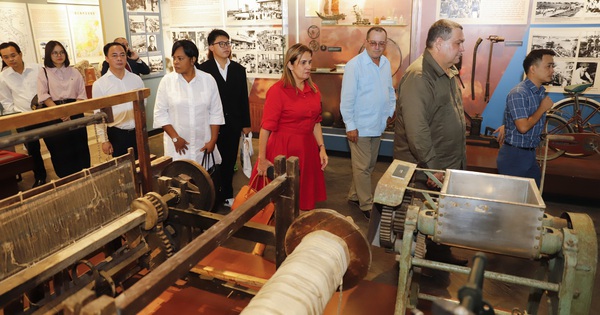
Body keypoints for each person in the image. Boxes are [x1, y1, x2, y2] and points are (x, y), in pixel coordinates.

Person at [394, 19, 467, 265]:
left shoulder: (447, 72)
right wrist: (434, 168)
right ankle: (414, 263)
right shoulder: (419, 76)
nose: (462, 49)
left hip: (446, 163)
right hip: (426, 168)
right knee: (418, 220)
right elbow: (417, 131)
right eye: (458, 43)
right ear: (439, 42)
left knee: (440, 214)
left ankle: (438, 253)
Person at [251, 43, 328, 211]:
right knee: (278, 203)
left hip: (307, 149)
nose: (308, 67)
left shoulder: (314, 89)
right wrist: (262, 160)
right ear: (290, 65)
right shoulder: (277, 91)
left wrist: (321, 147)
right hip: (282, 149)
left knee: (302, 200)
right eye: (303, 63)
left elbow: (316, 121)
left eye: (310, 62)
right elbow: (266, 128)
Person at [340, 26, 395, 219]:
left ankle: (354, 195)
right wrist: (350, 125)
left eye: (381, 43)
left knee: (369, 165)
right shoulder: (354, 65)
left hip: (378, 124)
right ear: (366, 42)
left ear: (385, 44)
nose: (377, 47)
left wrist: (390, 111)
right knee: (363, 167)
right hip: (360, 126)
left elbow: (389, 90)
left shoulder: (386, 63)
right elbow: (346, 99)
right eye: (373, 42)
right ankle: (366, 204)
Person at [198, 29, 251, 207]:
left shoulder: (238, 69)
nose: (226, 47)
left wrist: (246, 124)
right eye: (222, 43)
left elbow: (243, 98)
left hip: (232, 123)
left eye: (228, 43)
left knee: (228, 161)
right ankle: (211, 196)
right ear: (211, 47)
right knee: (211, 162)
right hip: (210, 125)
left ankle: (227, 194)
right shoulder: (202, 70)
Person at [153, 40, 224, 168]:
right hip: (177, 147)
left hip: (202, 145)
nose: (175, 62)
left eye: (180, 58)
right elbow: (160, 113)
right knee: (178, 182)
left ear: (192, 60)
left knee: (203, 181)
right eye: (174, 58)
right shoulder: (167, 82)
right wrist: (175, 138)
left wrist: (213, 140)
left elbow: (216, 112)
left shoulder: (208, 80)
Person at [497, 49, 556, 187]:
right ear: (533, 69)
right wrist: (542, 108)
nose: (552, 70)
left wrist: (507, 125)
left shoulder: (538, 92)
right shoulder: (519, 93)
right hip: (515, 156)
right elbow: (523, 127)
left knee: (531, 198)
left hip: (529, 154)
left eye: (553, 66)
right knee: (511, 202)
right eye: (548, 66)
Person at [37, 40, 90, 178]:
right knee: (60, 148)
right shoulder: (44, 72)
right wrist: (60, 112)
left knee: (80, 146)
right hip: (54, 113)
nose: (59, 55)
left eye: (61, 52)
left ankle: (84, 175)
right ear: (49, 55)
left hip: (75, 111)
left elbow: (81, 94)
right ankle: (65, 178)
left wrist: (71, 111)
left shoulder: (74, 71)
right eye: (54, 53)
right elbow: (43, 95)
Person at [0, 41, 47, 187]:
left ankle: (63, 171)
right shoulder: (3, 77)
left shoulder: (37, 68)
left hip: (45, 113)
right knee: (33, 149)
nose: (11, 59)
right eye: (6, 57)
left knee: (54, 142)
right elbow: (6, 100)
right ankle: (40, 176)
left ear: (20, 54)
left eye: (13, 55)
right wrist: (17, 115)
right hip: (24, 118)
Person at [92, 42, 145, 158]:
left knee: (142, 165)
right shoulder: (100, 84)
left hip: (138, 131)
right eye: (114, 55)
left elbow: (143, 106)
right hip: (117, 133)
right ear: (107, 58)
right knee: (123, 169)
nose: (119, 58)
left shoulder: (136, 79)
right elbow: (98, 115)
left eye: (122, 55)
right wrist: (104, 140)